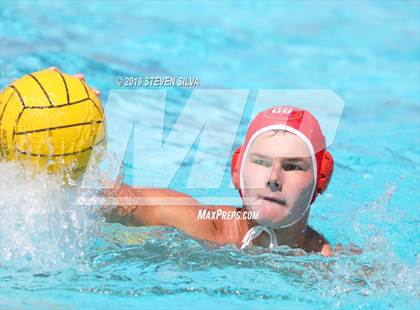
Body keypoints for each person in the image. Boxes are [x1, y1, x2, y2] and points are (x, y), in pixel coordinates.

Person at [57, 68, 335, 256]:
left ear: (321, 178)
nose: (273, 177)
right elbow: (114, 200)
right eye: (261, 162)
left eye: (292, 166)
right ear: (237, 170)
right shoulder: (200, 225)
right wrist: (64, 145)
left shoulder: (334, 266)